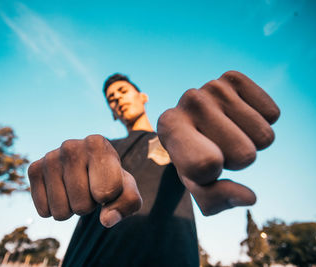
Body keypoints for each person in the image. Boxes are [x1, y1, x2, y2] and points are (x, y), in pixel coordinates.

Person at [28, 71, 280, 266]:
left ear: (142, 96)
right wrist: (65, 170)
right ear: (112, 113)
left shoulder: (173, 139)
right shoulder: (101, 150)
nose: (117, 100)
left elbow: (187, 157)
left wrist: (197, 143)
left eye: (122, 91)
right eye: (111, 100)